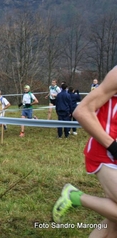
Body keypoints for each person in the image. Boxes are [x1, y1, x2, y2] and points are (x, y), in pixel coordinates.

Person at [52, 67, 117, 237]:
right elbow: (82, 111)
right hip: (106, 153)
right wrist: (113, 147)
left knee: (113, 226)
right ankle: (74, 196)